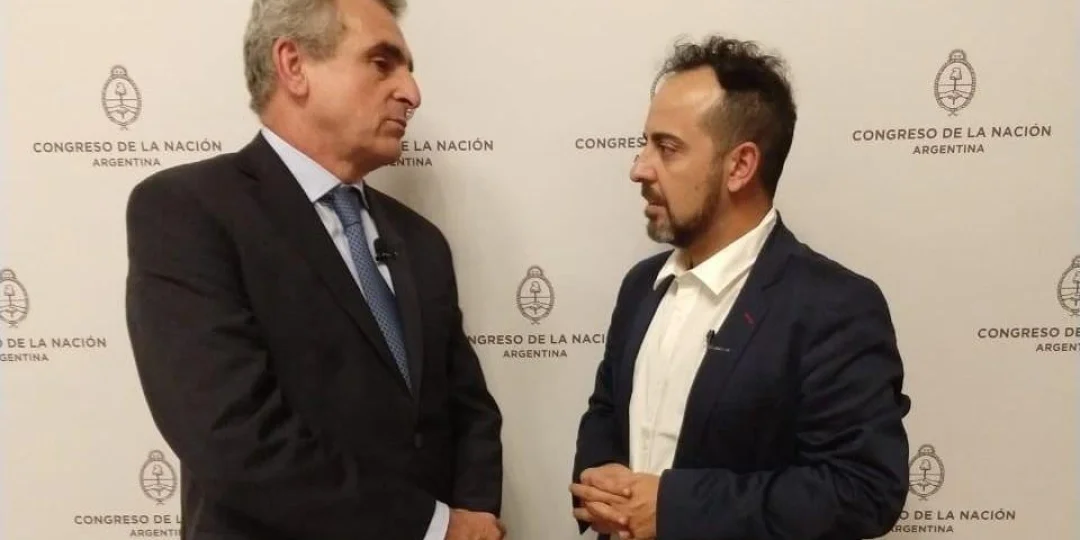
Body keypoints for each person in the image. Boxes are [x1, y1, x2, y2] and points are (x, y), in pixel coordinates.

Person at [124, 1, 504, 538]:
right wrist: (431, 526)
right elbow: (231, 436)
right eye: (382, 63)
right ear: (293, 65)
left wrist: (476, 515)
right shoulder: (188, 211)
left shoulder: (421, 241)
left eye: (409, 71)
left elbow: (468, 408)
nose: (411, 93)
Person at [570, 35, 911, 540]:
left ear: (740, 166)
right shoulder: (641, 286)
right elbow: (606, 411)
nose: (639, 168)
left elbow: (862, 490)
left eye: (667, 148)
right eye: (645, 145)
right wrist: (600, 478)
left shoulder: (834, 306)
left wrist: (674, 509)